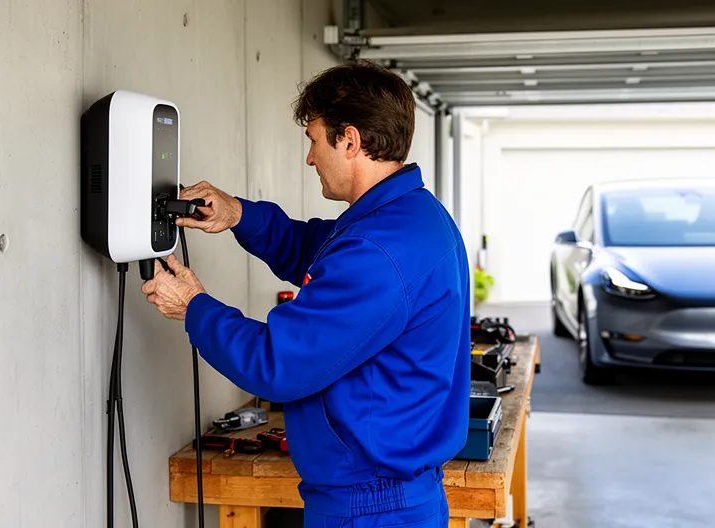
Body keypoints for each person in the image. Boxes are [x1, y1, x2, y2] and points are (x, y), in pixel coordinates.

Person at [141, 60, 470, 527]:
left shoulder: (379, 249)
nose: (310, 158)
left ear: (350, 140)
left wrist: (193, 306)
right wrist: (238, 213)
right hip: (388, 498)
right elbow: (318, 251)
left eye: (314, 140)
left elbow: (277, 363)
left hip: (369, 508)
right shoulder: (406, 218)